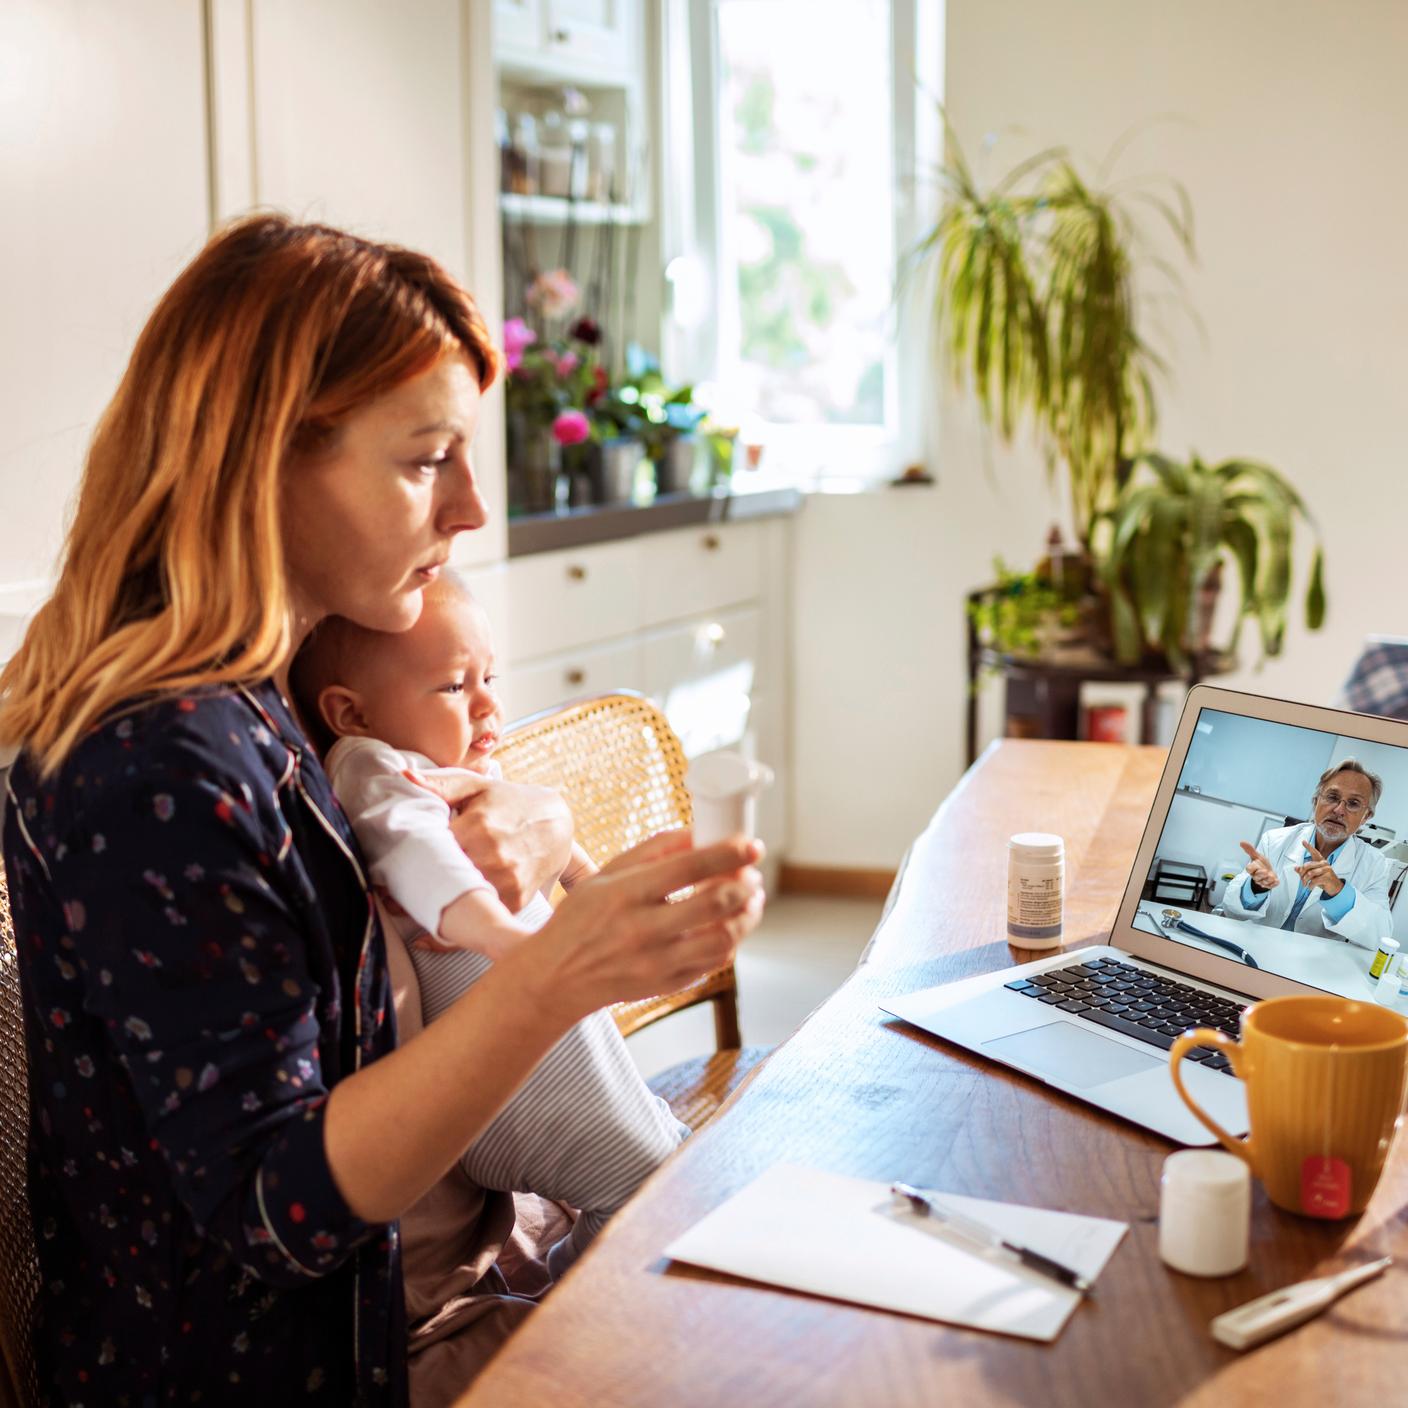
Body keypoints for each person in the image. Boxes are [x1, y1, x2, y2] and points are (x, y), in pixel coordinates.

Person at [0, 214, 764, 1406]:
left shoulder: (276, 697)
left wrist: (528, 810)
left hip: (442, 1288)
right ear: (262, 461)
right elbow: (277, 1217)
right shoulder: (156, 766)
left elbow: (420, 801)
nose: (468, 510)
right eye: (425, 460)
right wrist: (554, 971)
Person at [290, 573, 688, 1280]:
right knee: (639, 1189)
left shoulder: (445, 762)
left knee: (664, 1160)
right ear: (350, 714)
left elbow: (553, 849)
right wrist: (519, 947)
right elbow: (422, 859)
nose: (487, 704)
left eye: (489, 677)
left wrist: (590, 887)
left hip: (542, 1048)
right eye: (452, 686)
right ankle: (570, 1307)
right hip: (503, 1085)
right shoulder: (373, 767)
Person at [1225, 759, 1393, 948]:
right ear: (1315, 802)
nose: (1339, 810)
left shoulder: (1375, 864)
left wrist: (1337, 891)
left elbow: (1381, 936)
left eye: (1353, 803)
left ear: (1366, 817)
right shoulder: (1274, 840)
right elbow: (1231, 910)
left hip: (1311, 964)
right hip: (1257, 947)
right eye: (1331, 797)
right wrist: (1256, 888)